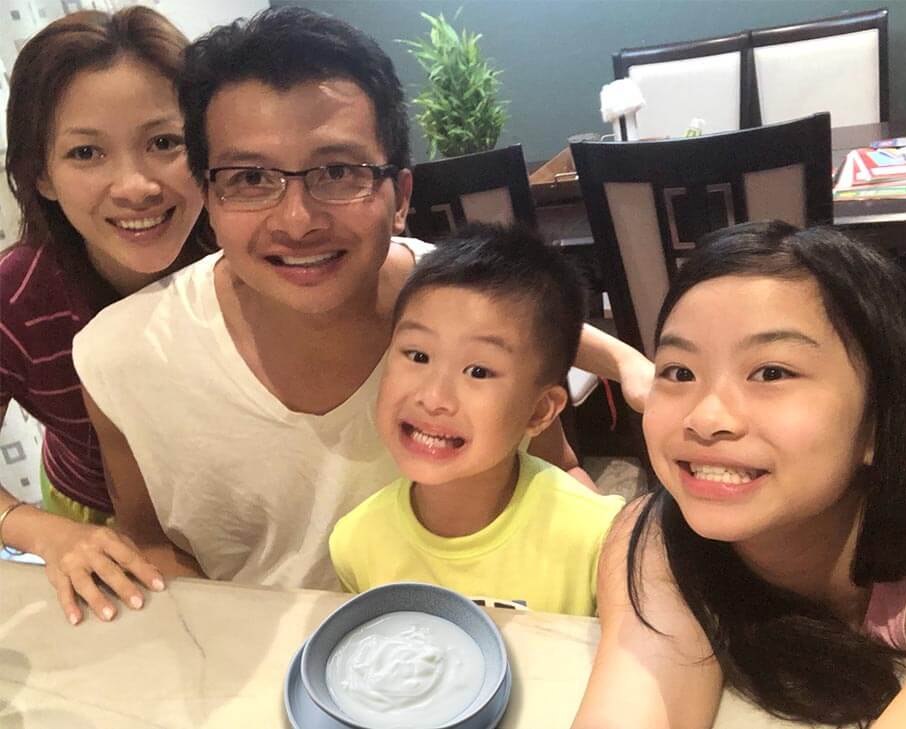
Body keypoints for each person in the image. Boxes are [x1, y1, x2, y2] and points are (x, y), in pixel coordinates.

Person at [72, 7, 650, 608]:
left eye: (339, 171)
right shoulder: (119, 356)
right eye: (248, 178)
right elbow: (149, 537)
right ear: (208, 196)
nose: (296, 220)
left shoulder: (473, 312)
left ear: (400, 197)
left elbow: (552, 475)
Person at [572, 221, 906, 729]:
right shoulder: (656, 538)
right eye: (679, 372)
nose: (705, 418)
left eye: (772, 373)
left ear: (881, 419)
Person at [0, 7, 207, 626]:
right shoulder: (17, 300)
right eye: (87, 152)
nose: (136, 185)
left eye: (165, 142)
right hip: (98, 520)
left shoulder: (256, 249)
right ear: (42, 175)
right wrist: (37, 530)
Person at [330, 225, 624, 617]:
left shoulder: (601, 540)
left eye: (479, 371)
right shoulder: (357, 543)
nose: (433, 398)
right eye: (417, 356)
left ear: (538, 412)